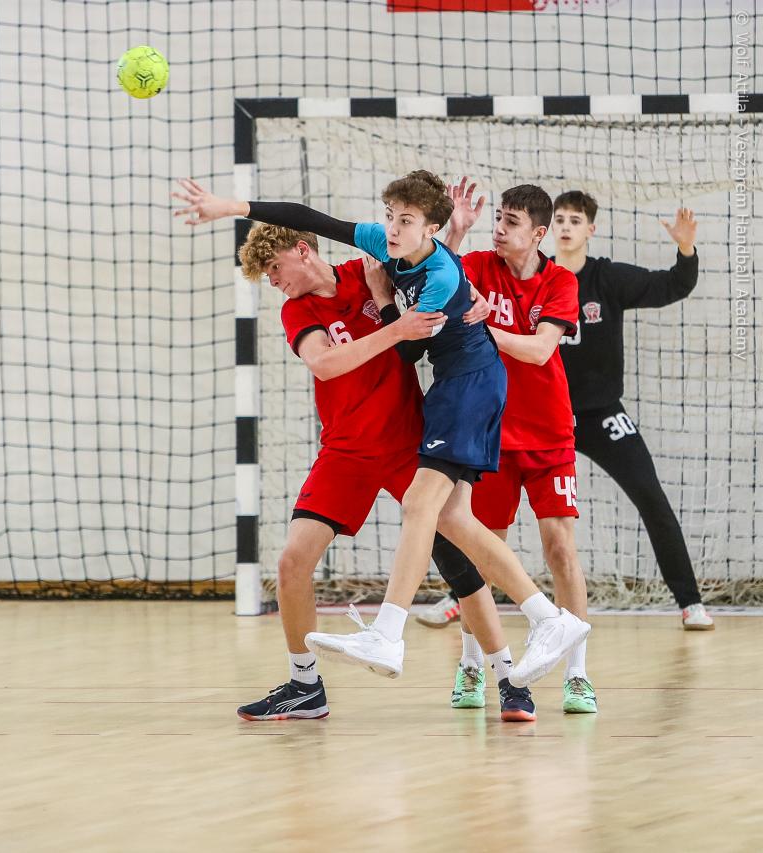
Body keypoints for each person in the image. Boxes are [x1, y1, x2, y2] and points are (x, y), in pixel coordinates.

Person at [174, 174, 588, 691]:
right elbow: (314, 220)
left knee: (431, 517)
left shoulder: (402, 274)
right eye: (390, 217)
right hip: (387, 425)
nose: (391, 229)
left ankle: (417, 640)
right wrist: (231, 206)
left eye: (404, 220)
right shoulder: (374, 254)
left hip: (463, 390)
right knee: (451, 518)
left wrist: (386, 301)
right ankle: (542, 619)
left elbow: (411, 343)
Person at [224, 220, 535, 722]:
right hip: (345, 451)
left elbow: (433, 270)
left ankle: (509, 678)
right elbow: (325, 364)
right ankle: (305, 685)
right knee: (292, 562)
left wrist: (470, 290)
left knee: (460, 565)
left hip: (408, 443)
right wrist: (395, 330)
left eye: (275, 268)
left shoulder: (367, 272)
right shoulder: (297, 310)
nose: (274, 281)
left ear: (302, 250)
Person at [439, 179, 597, 714]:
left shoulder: (560, 282)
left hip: (549, 436)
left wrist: (486, 329)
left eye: (511, 222)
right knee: (482, 554)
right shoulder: (479, 265)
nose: (500, 229)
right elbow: (436, 276)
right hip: (490, 434)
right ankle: (471, 665)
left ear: (538, 233)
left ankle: (577, 674)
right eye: (497, 219)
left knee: (560, 549)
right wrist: (455, 231)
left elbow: (539, 350)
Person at [553, 192, 712, 630]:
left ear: (590, 229)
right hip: (547, 418)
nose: (566, 226)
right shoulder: (536, 277)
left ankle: (690, 603)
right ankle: (459, 597)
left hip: (602, 414)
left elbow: (674, 285)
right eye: (559, 219)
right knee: (491, 499)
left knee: (651, 497)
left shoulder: (607, 278)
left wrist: (685, 248)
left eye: (575, 220)